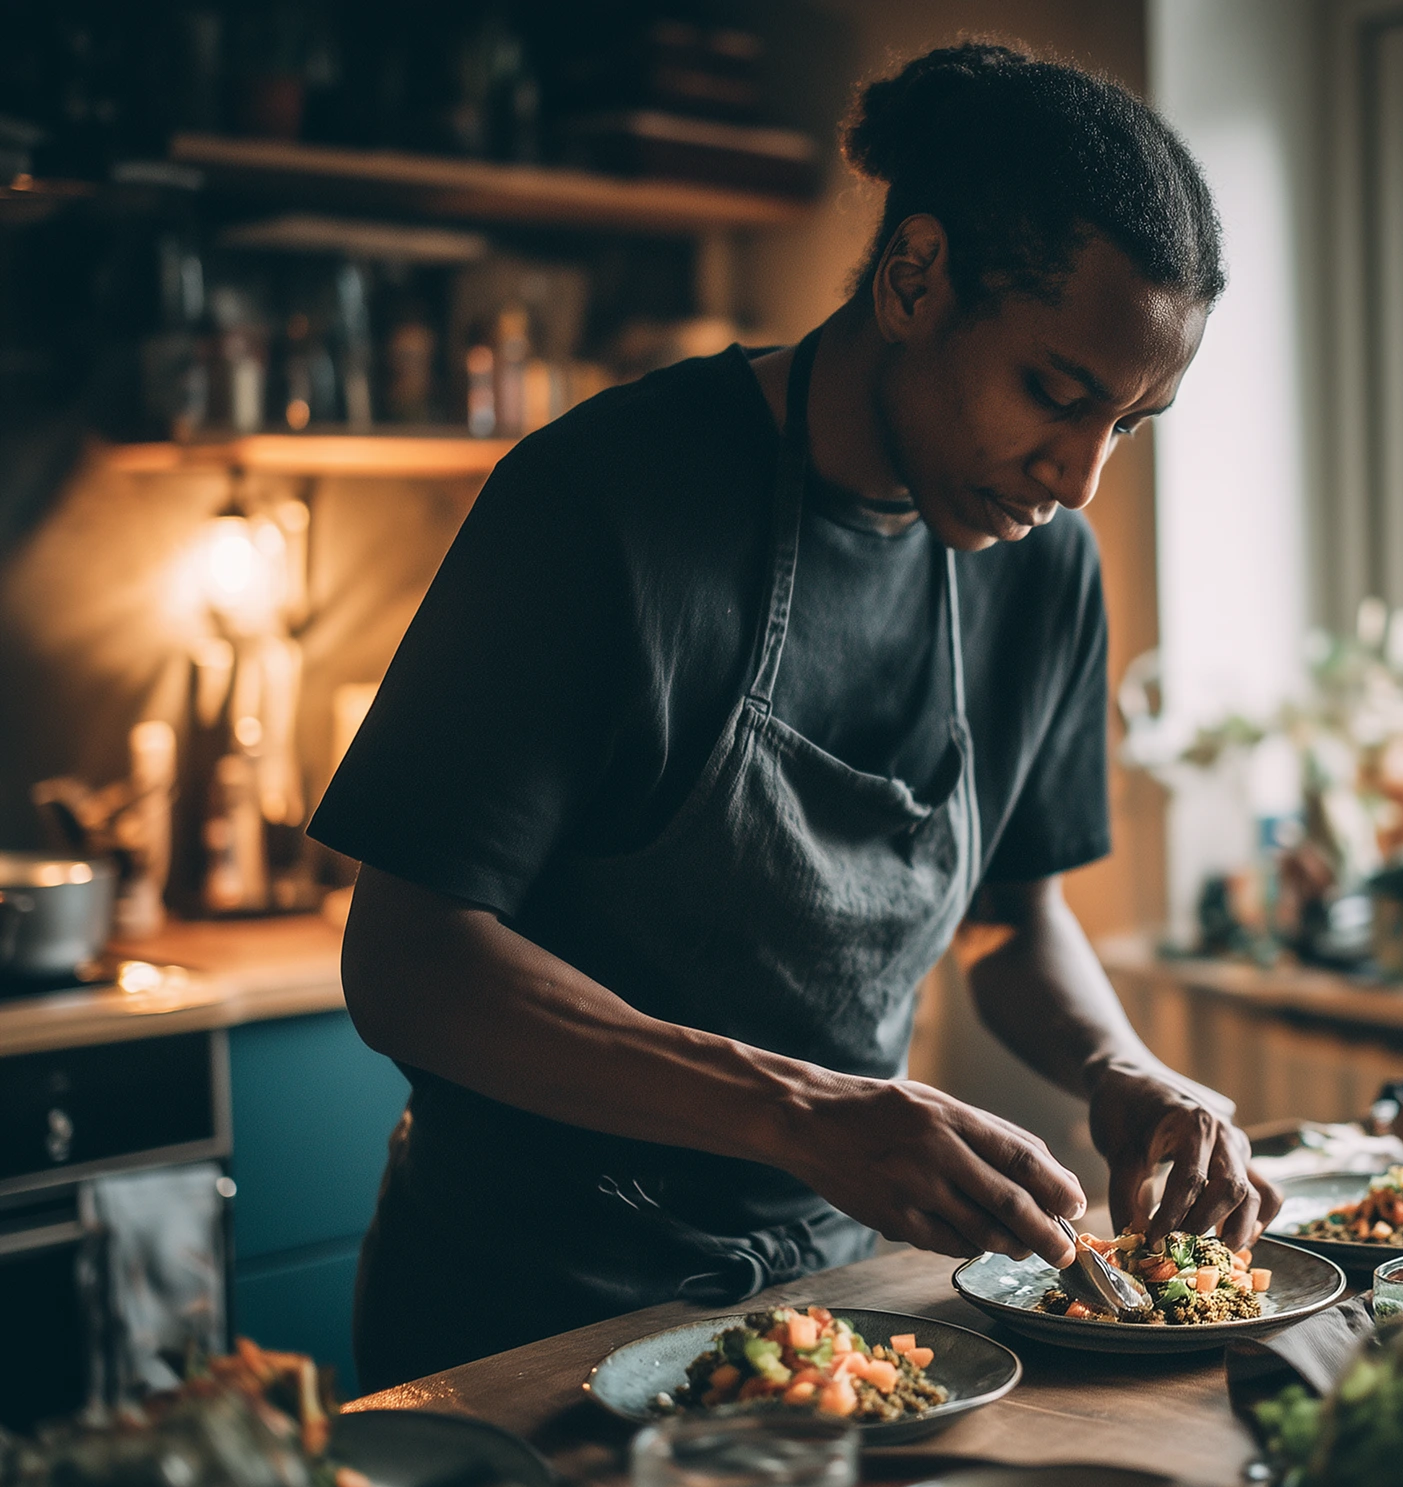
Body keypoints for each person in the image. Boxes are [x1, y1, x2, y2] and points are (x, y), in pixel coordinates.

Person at [313, 40, 1281, 1391]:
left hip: (829, 1305)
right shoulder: (601, 503)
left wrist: (1120, 1064)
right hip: (525, 1302)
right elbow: (409, 958)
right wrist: (806, 1109)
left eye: (1134, 422)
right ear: (914, 275)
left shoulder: (1040, 566)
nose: (1081, 476)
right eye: (1057, 394)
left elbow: (1012, 919)